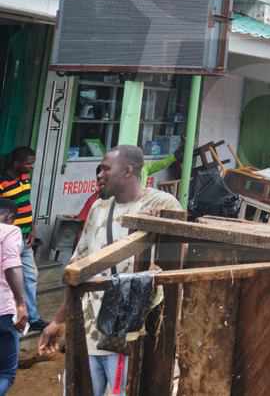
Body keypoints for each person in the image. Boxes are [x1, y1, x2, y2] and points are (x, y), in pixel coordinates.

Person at [38, 145, 183, 395]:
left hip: (130, 334)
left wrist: (163, 222)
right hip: (89, 331)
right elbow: (79, 268)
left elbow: (178, 259)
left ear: (128, 171)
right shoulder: (98, 208)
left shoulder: (162, 203)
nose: (99, 175)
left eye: (106, 169)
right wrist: (59, 321)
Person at [0, 147, 43, 331]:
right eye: (29, 163)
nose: (32, 166)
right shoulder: (2, 182)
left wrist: (32, 229)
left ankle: (32, 318)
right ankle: (11, 316)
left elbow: (26, 204)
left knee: (30, 277)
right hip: (8, 240)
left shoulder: (24, 178)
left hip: (25, 238)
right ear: (17, 163)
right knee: (8, 277)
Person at [0, 198, 26, 396]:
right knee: (6, 374)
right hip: (2, 311)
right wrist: (20, 303)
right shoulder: (10, 231)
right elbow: (11, 266)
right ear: (11, 217)